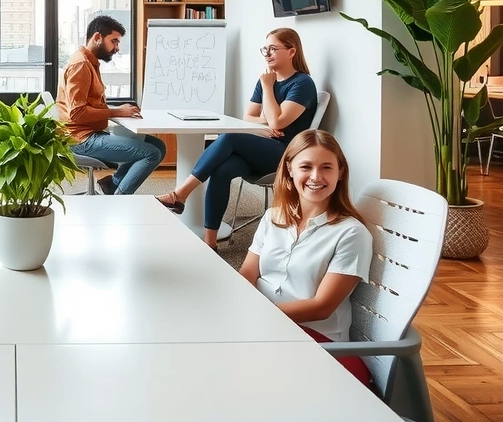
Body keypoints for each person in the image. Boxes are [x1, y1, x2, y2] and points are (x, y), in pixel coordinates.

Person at [158, 27, 318, 249]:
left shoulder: (302, 84)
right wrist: (263, 127)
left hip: (287, 155)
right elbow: (247, 117)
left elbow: (279, 123)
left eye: (274, 49)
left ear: (291, 52)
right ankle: (210, 243)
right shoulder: (266, 80)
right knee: (222, 171)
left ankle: (180, 194)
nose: (268, 53)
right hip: (262, 147)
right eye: (266, 49)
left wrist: (268, 89)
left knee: (230, 137)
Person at [239, 129, 373, 385]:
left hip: (315, 339)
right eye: (306, 167)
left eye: (326, 168)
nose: (316, 177)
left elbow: (322, 307)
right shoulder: (273, 216)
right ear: (290, 169)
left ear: (340, 172)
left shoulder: (351, 233)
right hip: (266, 326)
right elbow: (247, 274)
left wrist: (258, 319)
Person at [57, 15, 165, 195]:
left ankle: (112, 184)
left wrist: (117, 110)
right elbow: (78, 113)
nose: (117, 48)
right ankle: (118, 199)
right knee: (151, 153)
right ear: (97, 37)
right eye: (114, 41)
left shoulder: (89, 62)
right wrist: (118, 112)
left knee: (158, 146)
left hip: (89, 133)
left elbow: (88, 105)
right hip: (80, 139)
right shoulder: (81, 65)